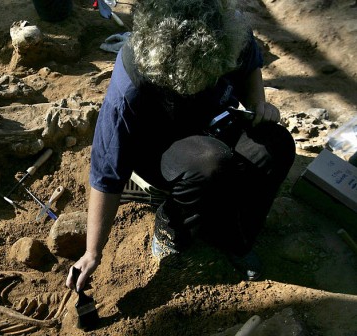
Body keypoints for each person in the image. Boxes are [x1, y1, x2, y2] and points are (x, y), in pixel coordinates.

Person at [66, 0, 296, 292]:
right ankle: (170, 226)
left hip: (214, 121)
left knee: (275, 147)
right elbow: (107, 173)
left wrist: (257, 105)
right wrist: (92, 253)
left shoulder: (225, 30)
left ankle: (233, 237)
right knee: (209, 163)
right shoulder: (132, 82)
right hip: (158, 145)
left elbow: (249, 62)